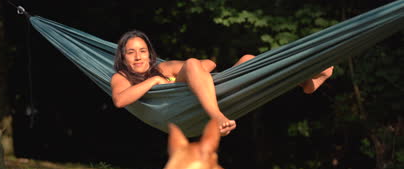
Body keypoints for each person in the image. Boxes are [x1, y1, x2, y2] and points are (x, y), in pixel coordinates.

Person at [111, 30, 333, 136]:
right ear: (123, 56)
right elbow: (120, 100)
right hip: (185, 112)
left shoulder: (163, 68)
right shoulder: (122, 77)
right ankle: (217, 118)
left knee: (248, 60)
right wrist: (154, 83)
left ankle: (306, 82)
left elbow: (208, 64)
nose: (138, 57)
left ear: (150, 55)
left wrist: (182, 76)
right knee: (191, 64)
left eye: (143, 51)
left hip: (217, 90)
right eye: (131, 53)